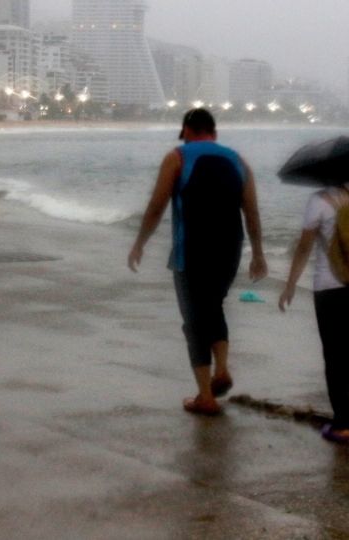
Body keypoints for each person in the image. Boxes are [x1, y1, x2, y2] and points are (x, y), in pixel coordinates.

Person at [129, 108, 268, 416]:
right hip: (230, 249)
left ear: (188, 131)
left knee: (194, 319)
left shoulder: (177, 158)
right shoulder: (238, 161)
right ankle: (221, 369)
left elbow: (157, 205)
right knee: (213, 305)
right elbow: (252, 212)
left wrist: (140, 242)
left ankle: (205, 396)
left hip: (191, 250)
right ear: (214, 134)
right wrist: (258, 254)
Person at [278, 182, 349, 443]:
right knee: (348, 342)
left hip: (330, 287)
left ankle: (341, 424)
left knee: (333, 354)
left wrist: (290, 285)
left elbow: (304, 247)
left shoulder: (320, 199)